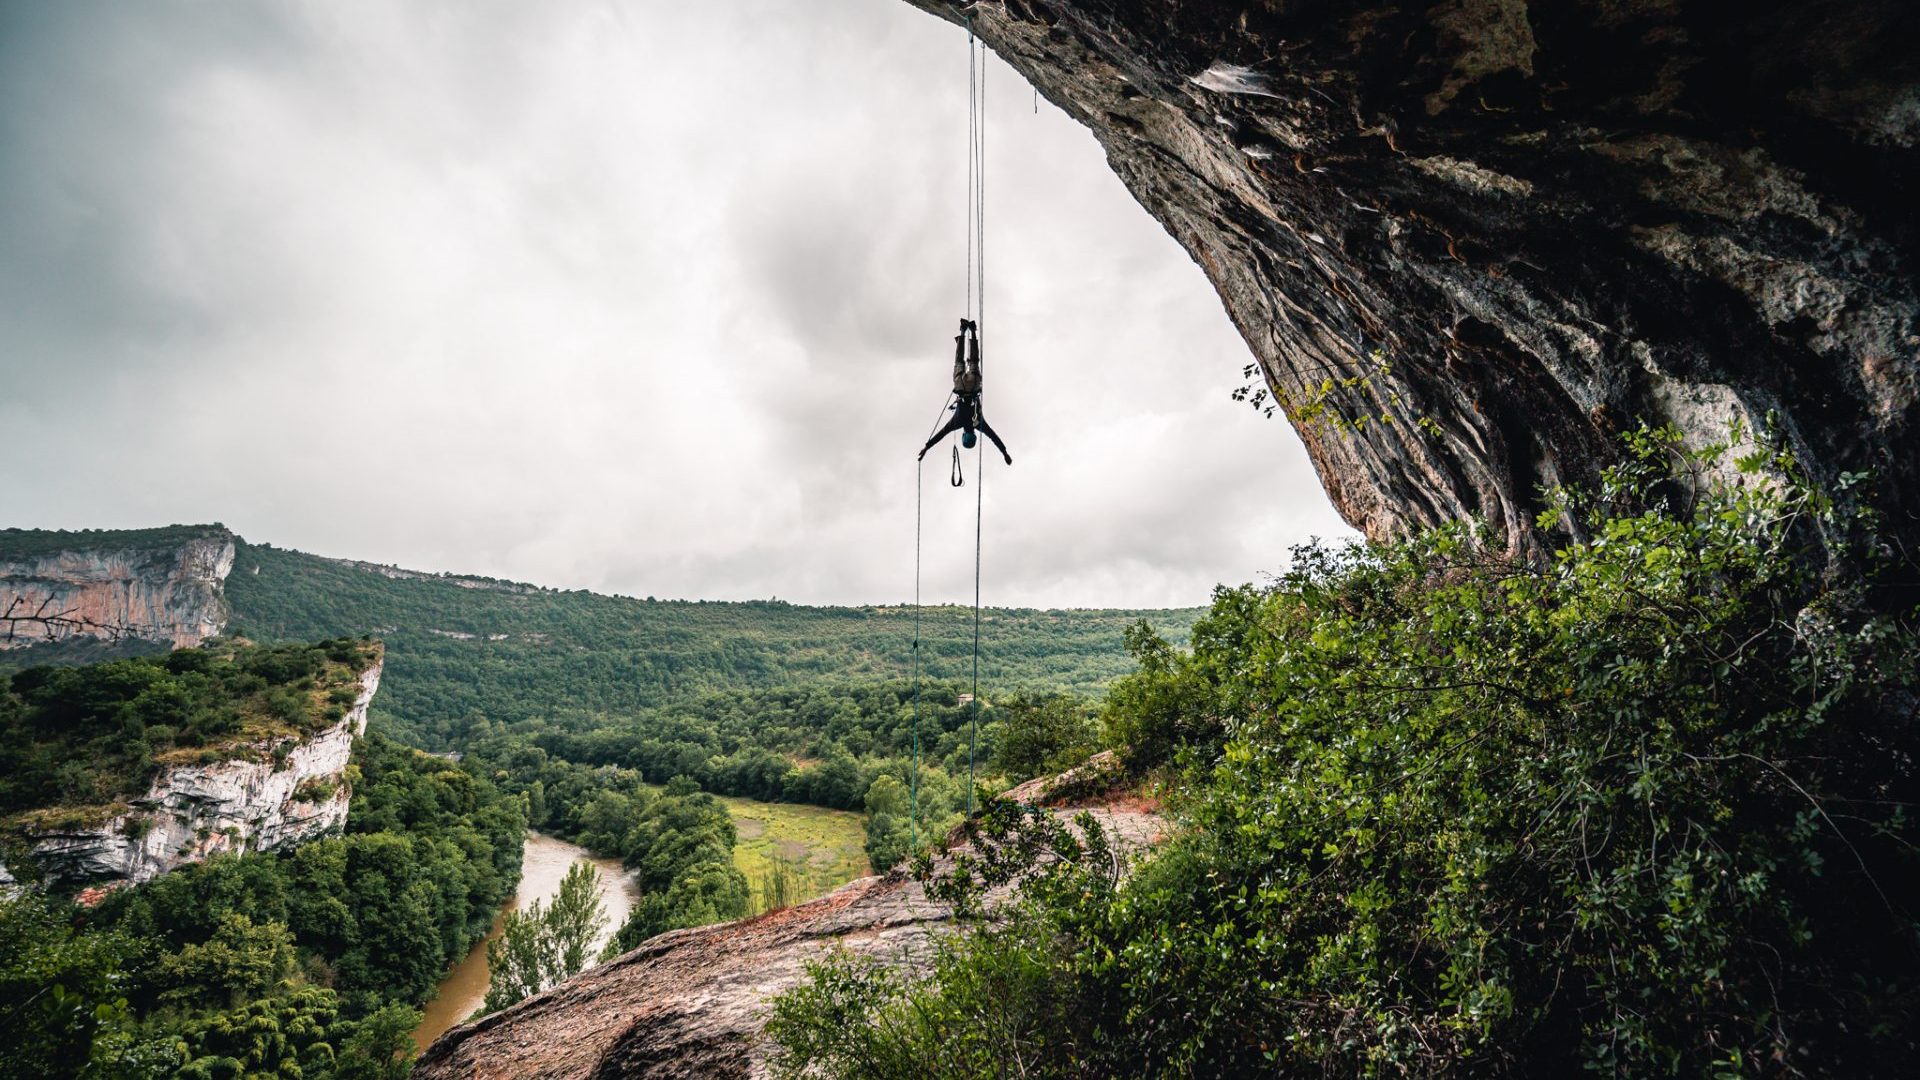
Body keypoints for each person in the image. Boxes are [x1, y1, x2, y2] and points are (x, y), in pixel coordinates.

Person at [919, 318, 1012, 465]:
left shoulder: (979, 424)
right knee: (959, 362)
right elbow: (940, 435)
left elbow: (994, 437)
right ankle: (963, 330)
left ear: (973, 434)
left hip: (973, 386)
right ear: (964, 434)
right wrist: (926, 447)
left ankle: (973, 331)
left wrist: (1005, 452)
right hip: (961, 387)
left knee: (974, 361)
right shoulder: (957, 423)